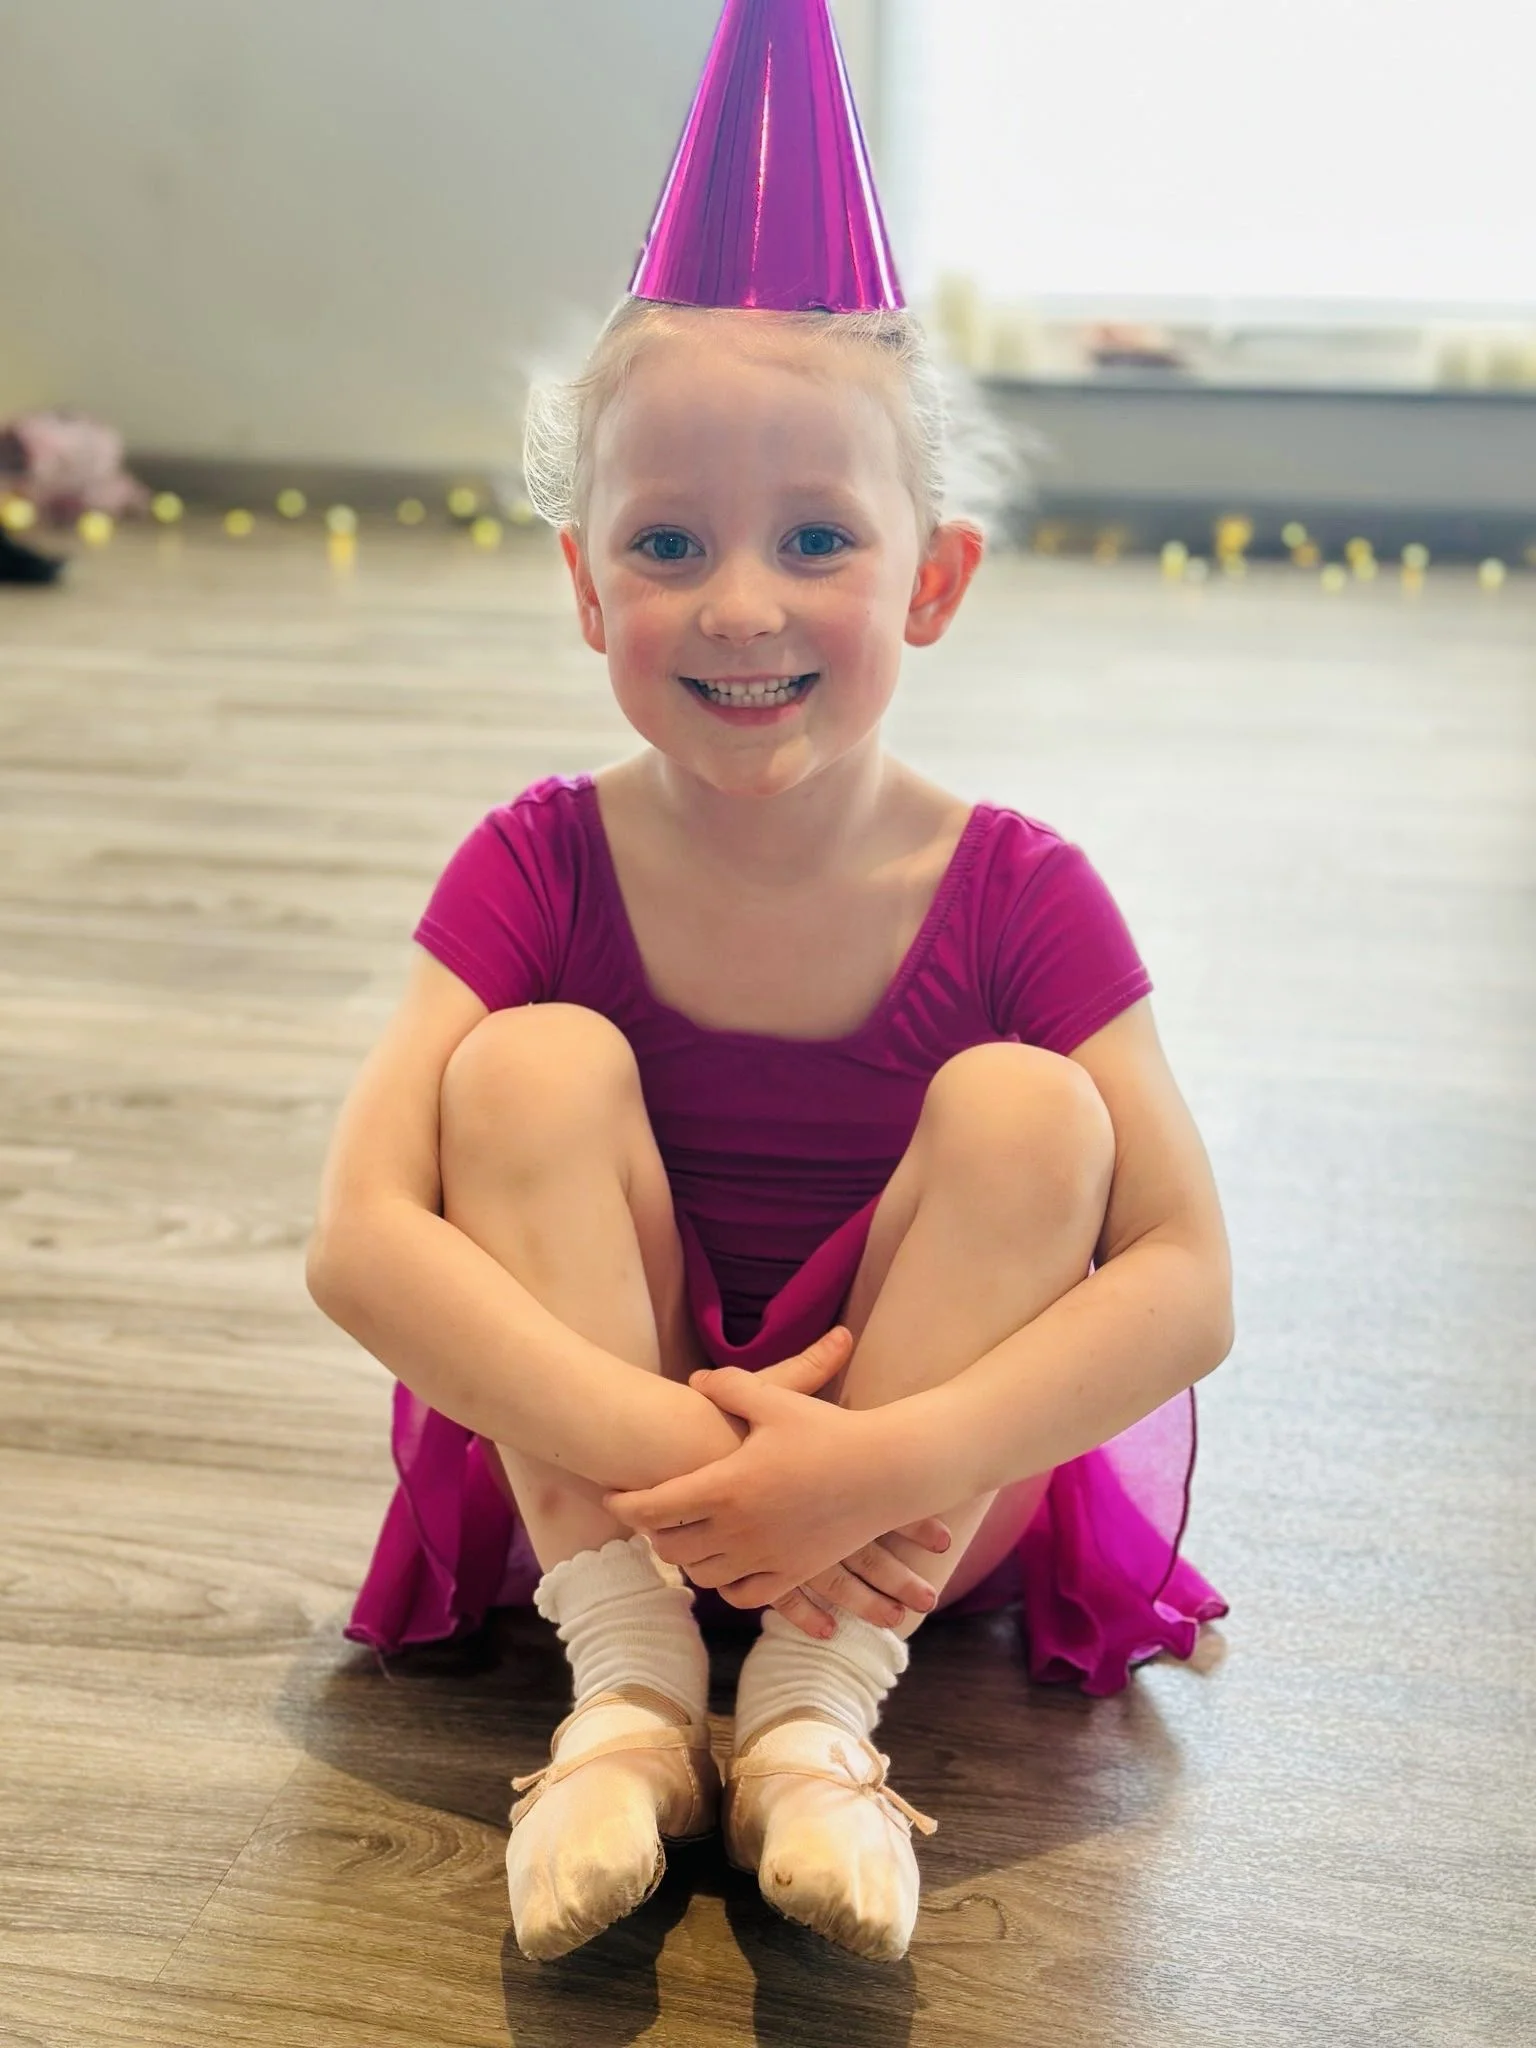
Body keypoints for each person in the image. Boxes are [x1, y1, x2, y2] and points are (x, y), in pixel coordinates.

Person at [305, 0, 1231, 1969]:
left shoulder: (1024, 891)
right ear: (586, 585)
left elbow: (1188, 1279)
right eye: (670, 543)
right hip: (603, 1484)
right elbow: (360, 1240)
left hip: (905, 1516)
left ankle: (814, 1720)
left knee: (1029, 1106)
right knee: (523, 1066)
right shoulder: (534, 863)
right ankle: (631, 1706)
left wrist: (875, 1463)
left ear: (933, 579)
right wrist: (699, 1467)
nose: (741, 602)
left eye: (817, 537)